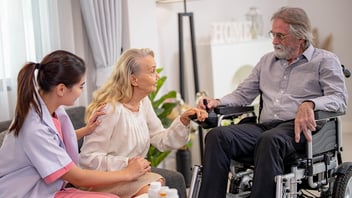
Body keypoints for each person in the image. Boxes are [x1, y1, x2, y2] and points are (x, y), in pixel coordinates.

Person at [197, 7, 348, 198]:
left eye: (280, 36)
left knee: (269, 141)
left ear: (300, 38)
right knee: (218, 136)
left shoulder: (324, 61)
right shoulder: (266, 62)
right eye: (273, 34)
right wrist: (216, 102)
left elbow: (339, 99)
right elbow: (243, 94)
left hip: (299, 131)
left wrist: (310, 104)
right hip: (265, 128)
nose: (274, 41)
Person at [0, 50, 152, 198]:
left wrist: (86, 130)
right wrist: (127, 173)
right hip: (25, 193)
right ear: (61, 89)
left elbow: (54, 140)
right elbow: (77, 177)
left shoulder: (50, 109)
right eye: (80, 86)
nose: (81, 91)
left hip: (48, 188)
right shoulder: (34, 128)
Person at [79, 48, 208, 198]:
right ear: (134, 79)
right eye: (152, 71)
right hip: (104, 181)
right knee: (152, 189)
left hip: (131, 175)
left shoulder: (143, 103)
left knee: (156, 185)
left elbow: (161, 139)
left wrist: (184, 120)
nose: (158, 76)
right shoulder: (109, 110)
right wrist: (127, 164)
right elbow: (88, 159)